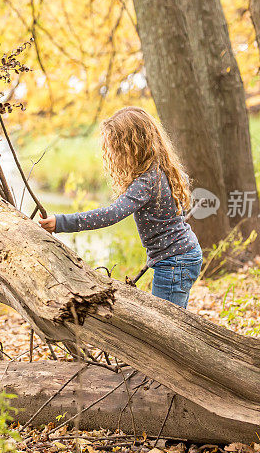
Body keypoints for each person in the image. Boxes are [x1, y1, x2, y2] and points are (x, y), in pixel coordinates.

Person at [38, 106, 202, 308]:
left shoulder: (146, 182)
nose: (113, 156)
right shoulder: (161, 169)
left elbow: (111, 214)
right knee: (177, 323)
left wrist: (61, 223)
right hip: (183, 254)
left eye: (116, 149)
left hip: (175, 262)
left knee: (167, 330)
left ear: (134, 147)